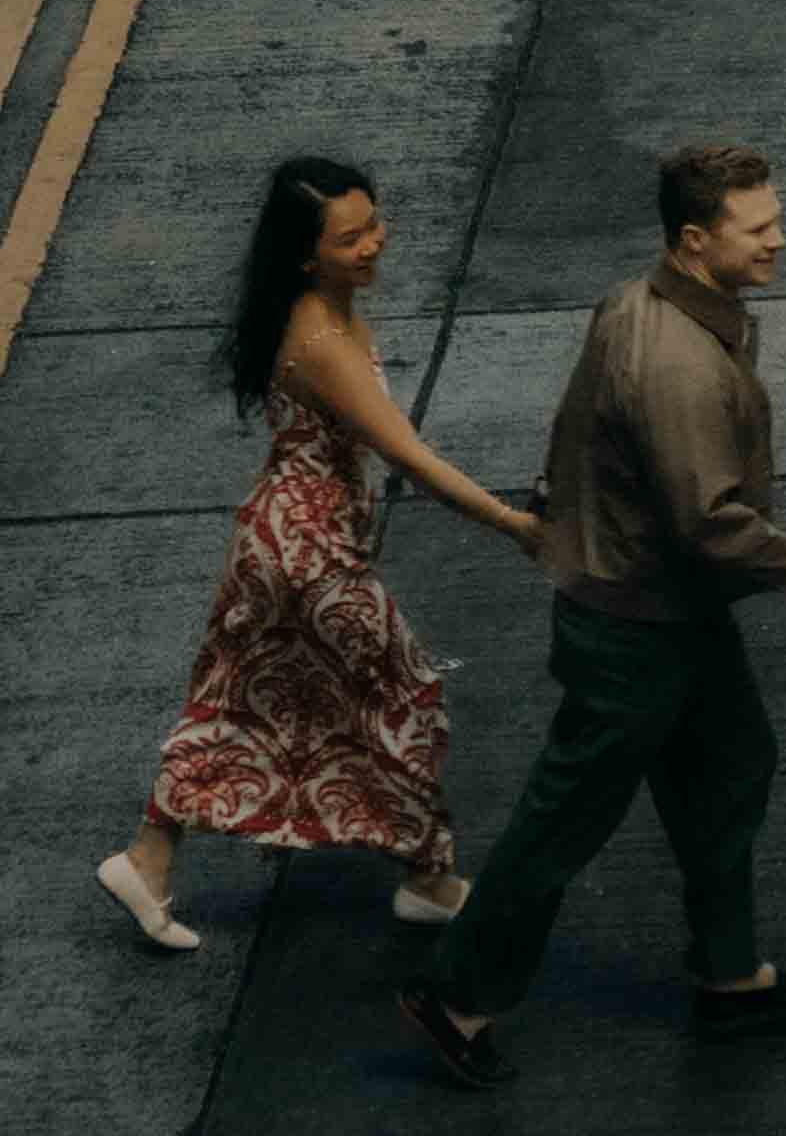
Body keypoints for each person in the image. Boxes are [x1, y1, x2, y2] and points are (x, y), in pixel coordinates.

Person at [400, 139, 786, 1089]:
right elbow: (708, 521)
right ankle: (454, 999)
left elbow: (573, 435)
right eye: (759, 227)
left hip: (656, 607)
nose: (781, 238)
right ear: (696, 240)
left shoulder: (640, 302)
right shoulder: (679, 365)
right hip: (636, 627)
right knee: (564, 819)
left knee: (731, 765)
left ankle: (730, 977)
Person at [97, 153, 541, 954]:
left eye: (374, 224)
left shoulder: (319, 306)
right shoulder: (320, 339)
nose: (374, 244)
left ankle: (148, 859)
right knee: (402, 696)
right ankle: (429, 876)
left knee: (244, 701)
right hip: (310, 556)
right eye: (351, 237)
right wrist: (510, 522)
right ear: (308, 254)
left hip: (279, 539)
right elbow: (407, 456)